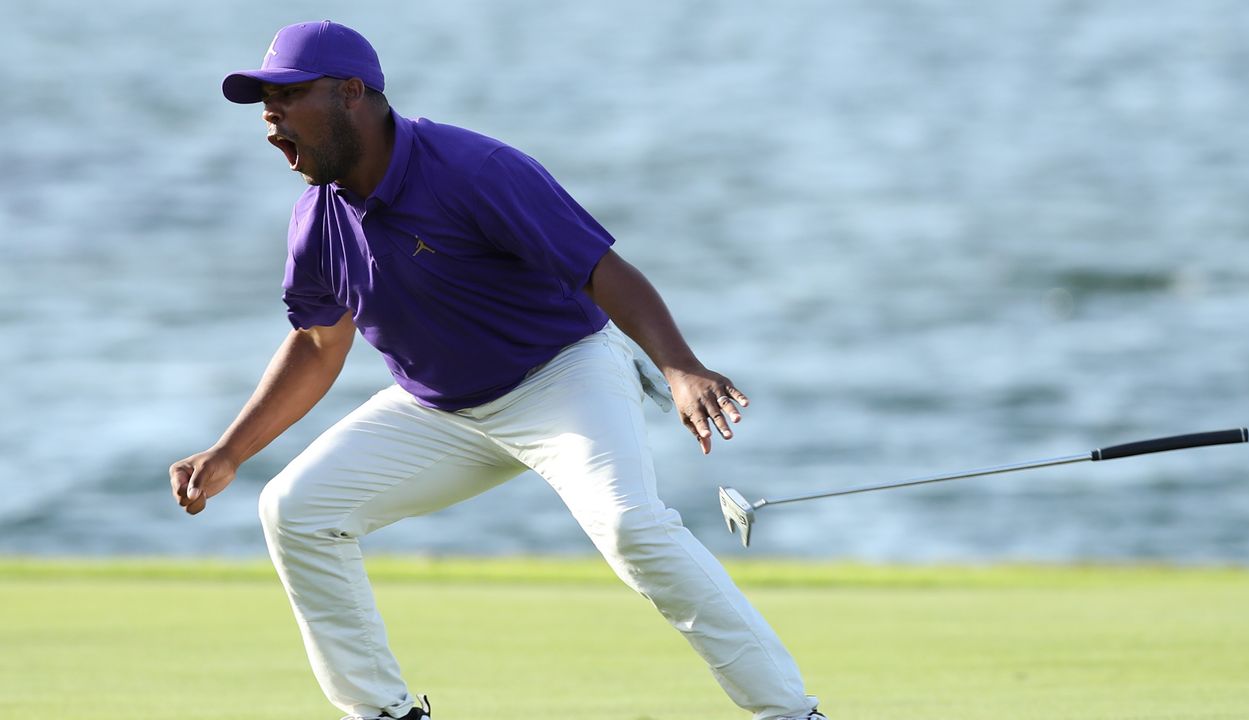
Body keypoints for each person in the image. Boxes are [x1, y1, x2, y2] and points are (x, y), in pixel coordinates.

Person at [169, 20, 826, 720]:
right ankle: (382, 713)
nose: (270, 115)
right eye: (264, 102)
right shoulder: (317, 220)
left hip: (561, 379)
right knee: (295, 511)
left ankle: (791, 713)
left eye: (288, 96)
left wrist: (679, 366)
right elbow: (318, 344)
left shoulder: (472, 169)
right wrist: (231, 450)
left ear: (352, 93)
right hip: (439, 410)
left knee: (633, 528)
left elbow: (601, 270)